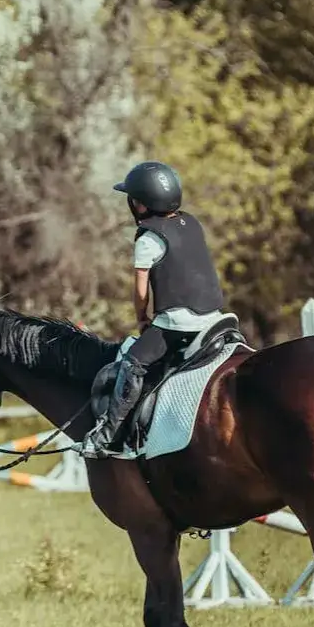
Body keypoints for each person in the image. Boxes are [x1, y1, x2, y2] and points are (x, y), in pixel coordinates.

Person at [78, 161, 228, 459]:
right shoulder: (191, 223)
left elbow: (141, 291)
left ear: (141, 204)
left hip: (178, 323)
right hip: (215, 318)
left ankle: (107, 436)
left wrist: (142, 318)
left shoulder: (148, 238)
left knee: (133, 362)